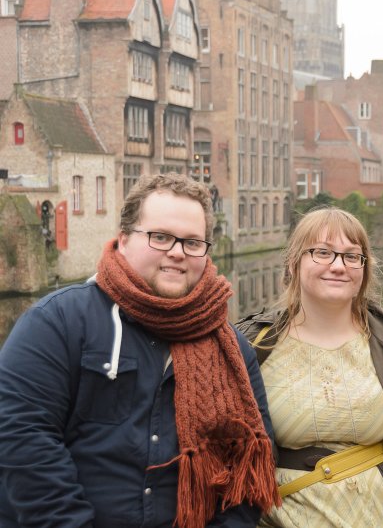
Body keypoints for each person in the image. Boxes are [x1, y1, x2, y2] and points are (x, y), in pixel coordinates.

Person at [0, 173, 280, 528]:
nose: (177, 253)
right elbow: (23, 437)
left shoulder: (232, 348)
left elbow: (253, 462)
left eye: (193, 243)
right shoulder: (58, 322)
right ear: (124, 239)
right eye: (160, 237)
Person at [236, 207, 383, 527]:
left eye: (352, 256)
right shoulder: (253, 346)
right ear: (293, 262)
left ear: (364, 270)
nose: (338, 266)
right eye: (322, 252)